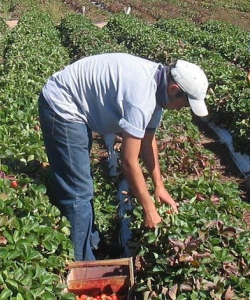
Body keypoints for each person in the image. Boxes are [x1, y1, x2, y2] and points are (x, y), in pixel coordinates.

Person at [38, 53, 209, 261]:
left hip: (78, 107)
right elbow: (128, 161)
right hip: (63, 106)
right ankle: (83, 262)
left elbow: (148, 141)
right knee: (78, 191)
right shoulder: (141, 98)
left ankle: (93, 245)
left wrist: (159, 185)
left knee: (82, 184)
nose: (180, 109)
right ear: (174, 90)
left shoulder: (157, 90)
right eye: (183, 105)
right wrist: (149, 208)